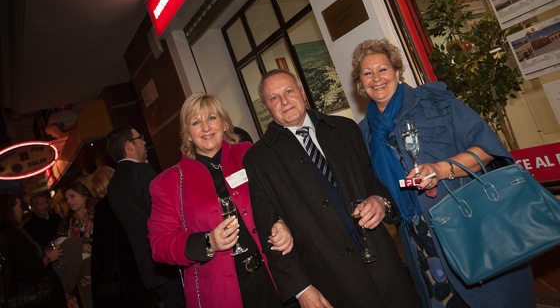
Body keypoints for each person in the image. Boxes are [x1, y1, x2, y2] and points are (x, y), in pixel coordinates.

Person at [351, 38, 537, 307]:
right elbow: (376, 187)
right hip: (420, 245)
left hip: (470, 229)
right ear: (360, 82)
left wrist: (440, 169)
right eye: (367, 73)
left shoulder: (435, 103)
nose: (376, 78)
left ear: (397, 72)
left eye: (383, 69)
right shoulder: (364, 133)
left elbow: (488, 149)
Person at [242, 69, 422, 308]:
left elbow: (372, 181)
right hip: (331, 282)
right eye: (274, 98)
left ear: (302, 92)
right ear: (266, 108)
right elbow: (271, 235)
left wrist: (380, 201)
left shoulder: (345, 129)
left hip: (384, 266)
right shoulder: (259, 160)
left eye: (288, 91)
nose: (284, 101)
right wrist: (301, 289)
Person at [148, 93, 297, 308]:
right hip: (221, 294)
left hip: (275, 277)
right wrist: (208, 242)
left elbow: (282, 197)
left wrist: (282, 222)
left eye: (212, 118)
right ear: (188, 134)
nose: (206, 127)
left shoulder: (249, 154)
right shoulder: (169, 182)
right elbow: (159, 245)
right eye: (196, 122)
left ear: (224, 123)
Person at [106, 126, 185, 308]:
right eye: (140, 138)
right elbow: (165, 215)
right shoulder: (141, 172)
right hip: (168, 260)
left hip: (150, 269)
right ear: (129, 145)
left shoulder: (114, 184)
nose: (144, 142)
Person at [89, 165, 158, 308]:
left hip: (123, 272)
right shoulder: (125, 198)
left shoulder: (103, 209)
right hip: (143, 261)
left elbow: (103, 249)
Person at [0, 194, 66, 308]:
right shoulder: (14, 236)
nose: (21, 210)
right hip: (34, 295)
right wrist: (49, 257)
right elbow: (29, 268)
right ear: (10, 210)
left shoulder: (7, 235)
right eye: (19, 206)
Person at [55, 182, 95, 308]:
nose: (69, 201)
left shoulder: (98, 214)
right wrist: (79, 247)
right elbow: (60, 246)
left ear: (84, 195)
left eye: (72, 196)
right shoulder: (66, 222)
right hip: (80, 269)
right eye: (67, 199)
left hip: (101, 265)